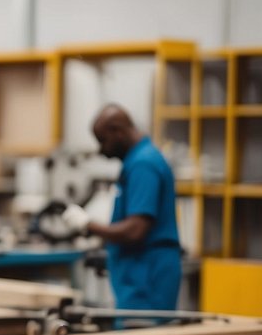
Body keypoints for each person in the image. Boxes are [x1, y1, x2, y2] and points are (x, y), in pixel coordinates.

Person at [62, 103, 182, 311]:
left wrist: (87, 224)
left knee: (142, 332)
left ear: (117, 131)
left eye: (103, 140)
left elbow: (135, 230)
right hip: (139, 273)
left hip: (146, 278)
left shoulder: (143, 165)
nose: (101, 150)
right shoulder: (138, 161)